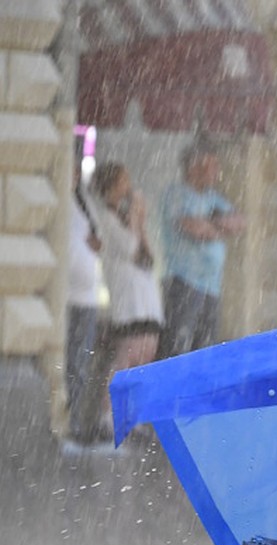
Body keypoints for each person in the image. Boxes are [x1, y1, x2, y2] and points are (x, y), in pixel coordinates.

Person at [89, 161, 164, 437]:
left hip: (145, 299)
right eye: (123, 180)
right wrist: (135, 218)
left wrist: (141, 224)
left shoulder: (123, 217)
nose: (128, 185)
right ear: (111, 185)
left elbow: (147, 256)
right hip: (128, 299)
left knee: (145, 355)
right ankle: (107, 416)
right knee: (126, 357)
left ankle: (134, 415)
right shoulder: (107, 218)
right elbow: (128, 248)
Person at [159, 141, 244, 356]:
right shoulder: (177, 194)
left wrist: (210, 223)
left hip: (211, 287)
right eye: (213, 166)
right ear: (195, 167)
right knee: (179, 347)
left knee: (206, 350)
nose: (217, 172)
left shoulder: (212, 198)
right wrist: (216, 224)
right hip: (184, 283)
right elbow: (194, 228)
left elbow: (239, 222)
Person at [63, 158, 104, 451]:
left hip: (87, 297)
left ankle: (76, 420)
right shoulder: (55, 198)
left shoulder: (83, 201)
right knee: (68, 361)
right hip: (67, 296)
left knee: (80, 362)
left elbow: (98, 240)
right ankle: (67, 421)